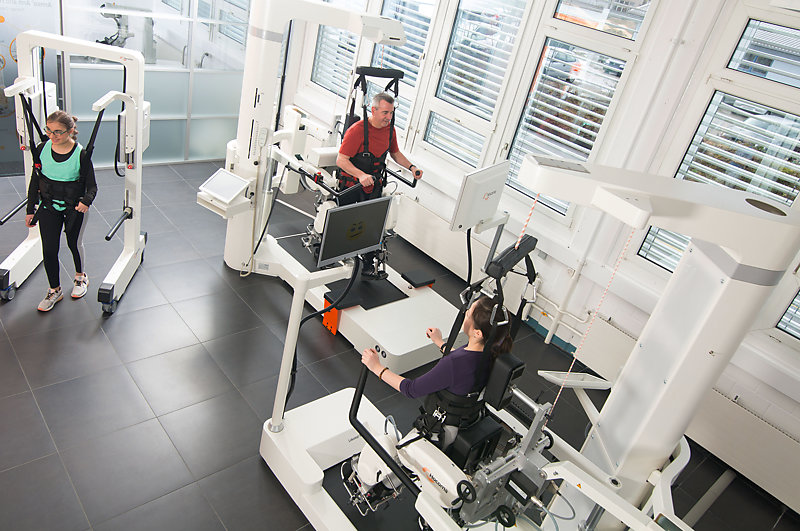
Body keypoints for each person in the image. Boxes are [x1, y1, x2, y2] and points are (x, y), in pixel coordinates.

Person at [361, 296, 512, 448]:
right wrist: (440, 342)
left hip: (444, 433)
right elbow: (464, 365)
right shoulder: (494, 352)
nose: (465, 313)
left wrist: (377, 368)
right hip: (469, 420)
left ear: (478, 333)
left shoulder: (454, 364)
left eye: (468, 313)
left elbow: (411, 389)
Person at [336, 92, 423, 278]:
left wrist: (412, 167)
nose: (389, 117)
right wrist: (360, 175)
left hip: (374, 183)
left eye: (391, 113)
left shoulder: (389, 130)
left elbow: (395, 153)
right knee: (346, 223)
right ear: (373, 110)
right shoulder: (357, 131)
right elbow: (341, 160)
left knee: (372, 224)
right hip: (352, 185)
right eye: (385, 113)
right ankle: (337, 256)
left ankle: (368, 264)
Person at [25, 111, 97, 312]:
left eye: (58, 132)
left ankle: (80, 277)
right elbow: (35, 181)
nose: (52, 135)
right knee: (49, 249)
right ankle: (54, 290)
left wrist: (86, 201)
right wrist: (30, 209)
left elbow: (92, 186)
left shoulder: (81, 154)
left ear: (71, 131)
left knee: (74, 243)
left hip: (74, 208)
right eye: (48, 130)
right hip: (49, 206)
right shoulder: (41, 149)